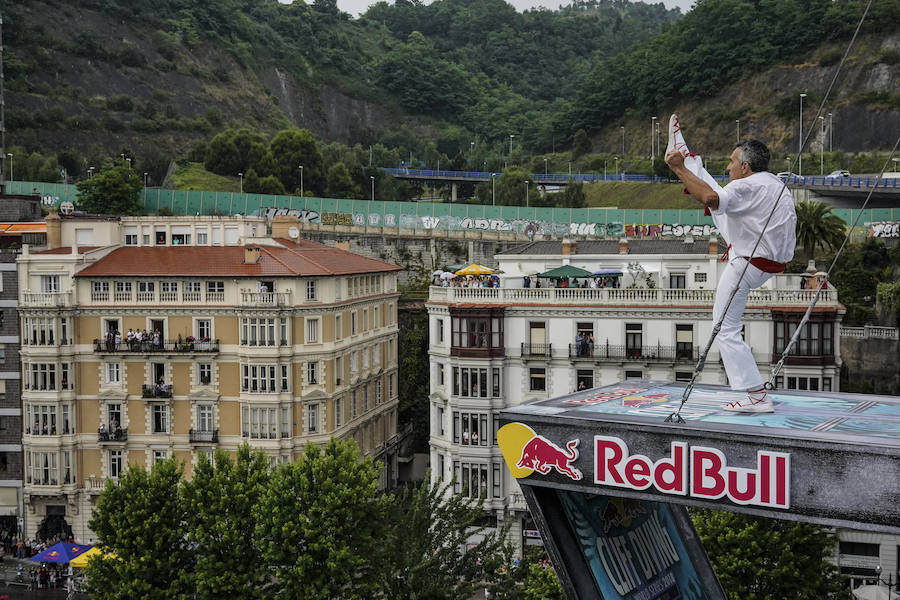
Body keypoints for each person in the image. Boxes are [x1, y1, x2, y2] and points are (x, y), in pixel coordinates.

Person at [665, 115, 796, 413]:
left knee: (724, 328)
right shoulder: (775, 184)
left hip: (747, 263)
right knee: (723, 207)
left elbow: (711, 197)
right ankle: (688, 158)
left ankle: (756, 396)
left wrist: (678, 169)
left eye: (732, 162)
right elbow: (719, 197)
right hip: (768, 260)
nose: (729, 167)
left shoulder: (745, 187)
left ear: (745, 167)